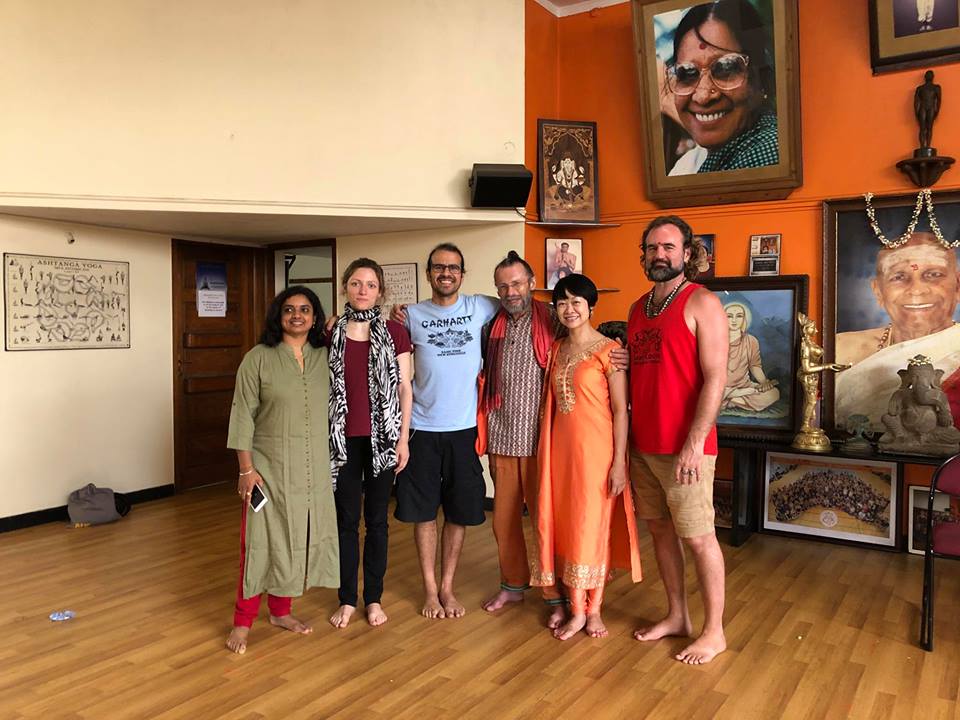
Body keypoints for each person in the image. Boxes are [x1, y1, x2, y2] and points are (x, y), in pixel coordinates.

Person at [627, 215, 729, 664]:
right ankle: (678, 616)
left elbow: (717, 378)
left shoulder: (702, 302)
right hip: (643, 445)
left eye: (668, 247)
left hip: (687, 448)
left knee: (700, 538)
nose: (659, 255)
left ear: (687, 253)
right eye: (652, 248)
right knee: (661, 532)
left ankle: (714, 632)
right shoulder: (637, 309)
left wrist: (694, 442)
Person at [226, 286, 339, 655]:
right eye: (289, 309)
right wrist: (246, 469)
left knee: (297, 538)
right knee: (259, 543)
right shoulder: (257, 358)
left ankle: (280, 611)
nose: (297, 316)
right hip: (267, 471)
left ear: (315, 317)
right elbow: (243, 415)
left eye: (305, 309)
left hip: (312, 471)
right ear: (278, 316)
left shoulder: (325, 355)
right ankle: (243, 621)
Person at [531, 273, 642, 641]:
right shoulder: (556, 349)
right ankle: (574, 603)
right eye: (562, 302)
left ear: (591, 306)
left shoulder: (609, 351)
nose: (569, 309)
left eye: (576, 301)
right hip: (560, 453)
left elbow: (622, 411)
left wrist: (619, 462)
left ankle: (589, 610)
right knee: (567, 524)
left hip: (597, 453)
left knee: (591, 525)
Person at [394, 243, 499, 619]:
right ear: (429, 274)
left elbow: (522, 304)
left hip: (464, 429)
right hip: (421, 428)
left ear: (462, 274)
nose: (446, 273)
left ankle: (447, 588)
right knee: (423, 513)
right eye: (439, 267)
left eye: (453, 267)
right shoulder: (411, 315)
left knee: (458, 512)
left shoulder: (481, 306)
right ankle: (429, 590)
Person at [479, 251, 566, 626]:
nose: (510, 291)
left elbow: (585, 348)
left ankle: (556, 595)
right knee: (503, 522)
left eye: (516, 283)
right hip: (501, 437)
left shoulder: (555, 318)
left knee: (546, 522)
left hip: (543, 440)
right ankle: (513, 585)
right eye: (502, 286)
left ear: (531, 283)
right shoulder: (490, 326)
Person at [327, 259, 413, 629]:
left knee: (377, 522)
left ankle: (373, 597)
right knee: (346, 522)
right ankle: (347, 598)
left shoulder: (395, 332)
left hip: (384, 439)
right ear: (345, 287)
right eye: (356, 283)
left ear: (380, 292)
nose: (363, 291)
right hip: (342, 442)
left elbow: (405, 388)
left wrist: (403, 439)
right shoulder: (330, 332)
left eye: (371, 285)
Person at [835, 232, 960, 431]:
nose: (917, 290)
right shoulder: (840, 348)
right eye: (899, 277)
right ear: (878, 291)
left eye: (933, 275)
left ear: (958, 286)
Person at [663, 0, 779, 176]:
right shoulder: (691, 162)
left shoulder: (768, 150)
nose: (703, 96)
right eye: (687, 73)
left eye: (726, 68)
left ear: (760, 79)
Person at [721, 301, 779, 413]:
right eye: (729, 316)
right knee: (709, 392)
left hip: (744, 385)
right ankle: (735, 396)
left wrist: (764, 383)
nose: (734, 320)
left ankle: (732, 399)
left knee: (774, 393)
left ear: (744, 319)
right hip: (720, 386)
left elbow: (755, 366)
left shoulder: (751, 341)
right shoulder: (716, 340)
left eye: (739, 316)